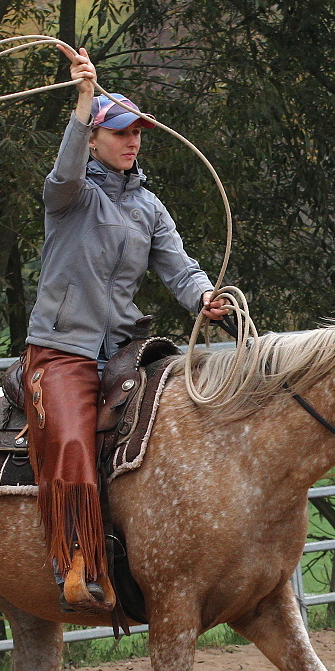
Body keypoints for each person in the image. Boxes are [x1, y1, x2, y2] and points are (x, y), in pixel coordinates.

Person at [22, 48, 229, 614]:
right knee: (70, 438)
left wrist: (205, 297)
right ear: (94, 139)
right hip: (63, 347)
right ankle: (77, 560)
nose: (131, 140)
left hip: (124, 347)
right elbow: (62, 172)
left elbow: (179, 269)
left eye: (137, 131)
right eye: (119, 132)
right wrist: (85, 101)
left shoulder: (149, 208)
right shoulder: (69, 197)